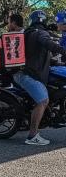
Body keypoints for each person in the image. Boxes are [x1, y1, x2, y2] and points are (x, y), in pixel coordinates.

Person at [13, 10, 66, 145]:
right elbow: (48, 44)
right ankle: (32, 136)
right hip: (29, 74)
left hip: (26, 72)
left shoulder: (28, 32)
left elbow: (40, 55)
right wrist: (62, 50)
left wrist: (57, 62)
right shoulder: (40, 33)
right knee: (43, 100)